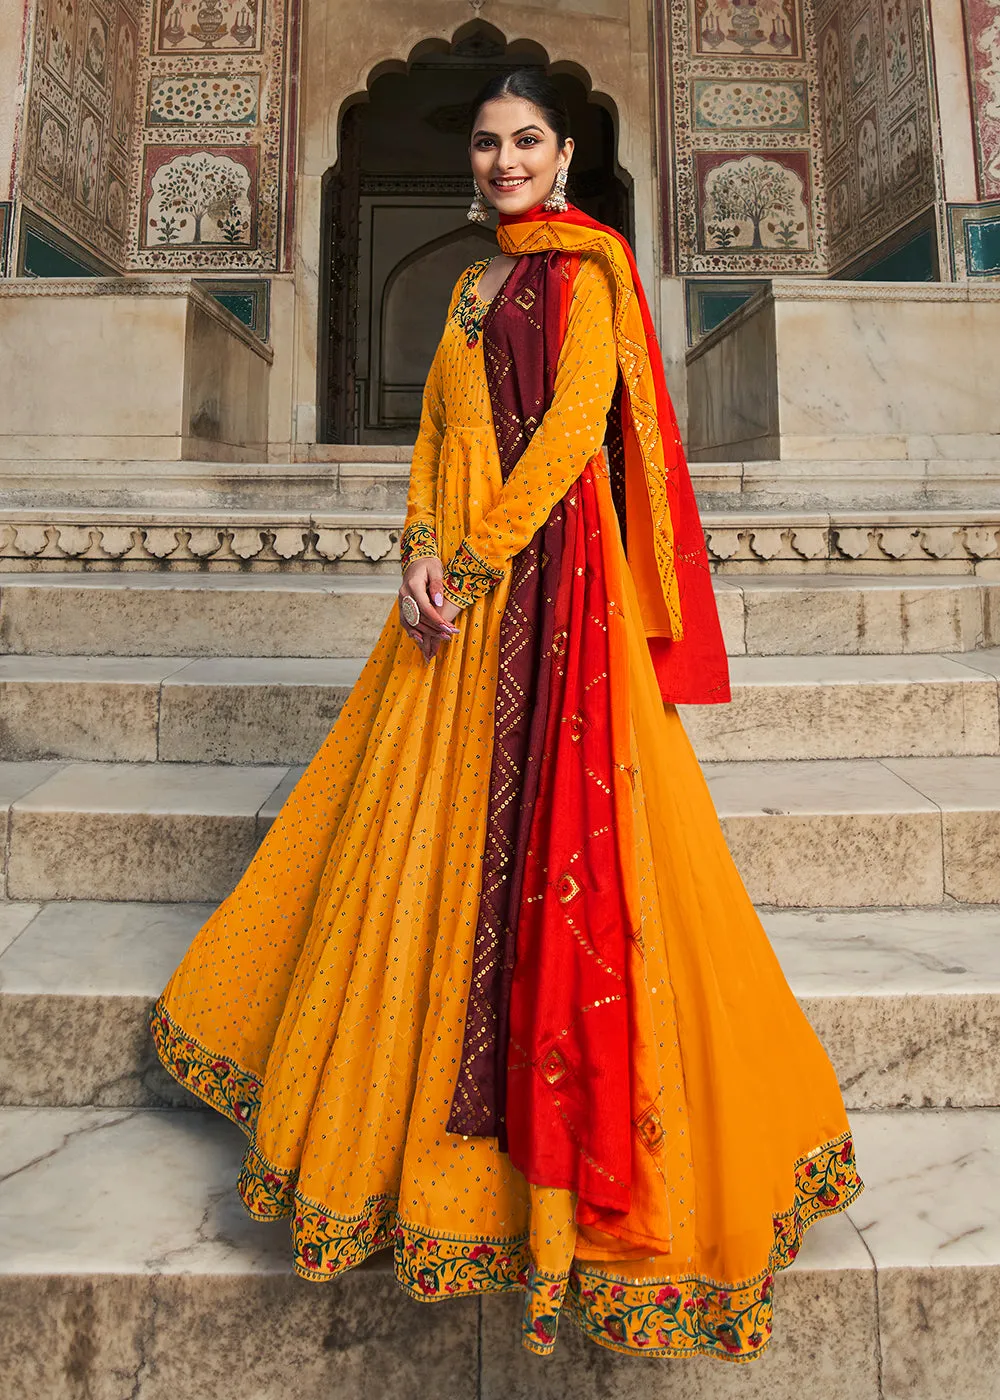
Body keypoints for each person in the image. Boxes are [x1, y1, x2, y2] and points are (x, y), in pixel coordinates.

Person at [151, 68, 861, 1362]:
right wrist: (420, 543)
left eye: (526, 140)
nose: (504, 160)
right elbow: (440, 433)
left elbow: (569, 433)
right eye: (486, 143)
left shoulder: (587, 276)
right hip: (461, 585)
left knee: (561, 852)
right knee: (420, 835)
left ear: (569, 152)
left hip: (553, 583)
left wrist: (474, 558)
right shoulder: (474, 287)